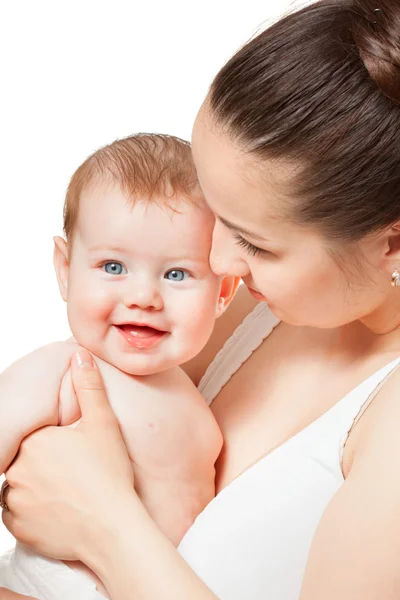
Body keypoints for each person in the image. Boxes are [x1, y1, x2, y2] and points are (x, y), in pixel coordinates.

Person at [2, 0, 400, 598]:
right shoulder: (255, 306)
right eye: (215, 212)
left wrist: (103, 526)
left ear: (392, 244)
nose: (215, 264)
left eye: (257, 245)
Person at [0, 133, 238, 598]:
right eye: (113, 267)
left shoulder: (199, 395)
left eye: (176, 275)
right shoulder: (61, 369)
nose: (143, 297)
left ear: (223, 294)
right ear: (65, 270)